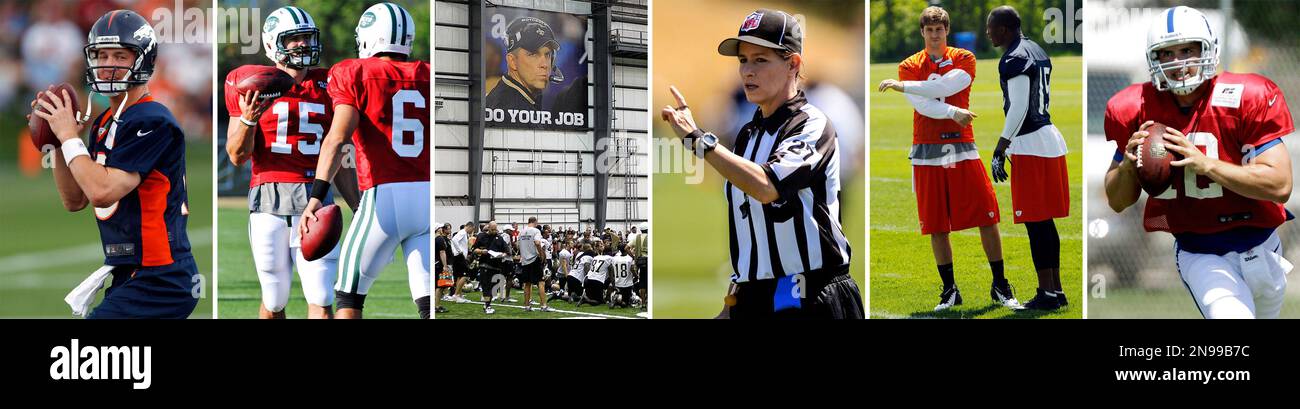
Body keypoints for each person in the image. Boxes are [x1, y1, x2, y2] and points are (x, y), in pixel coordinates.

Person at [660, 9, 862, 319]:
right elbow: (749, 234)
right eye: (743, 60)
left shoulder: (812, 125)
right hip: (756, 297)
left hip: (812, 296)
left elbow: (768, 186)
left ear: (793, 63)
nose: (747, 72)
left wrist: (700, 140)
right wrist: (730, 306)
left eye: (760, 60)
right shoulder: (748, 135)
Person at [1103, 6, 1294, 319]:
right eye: (1167, 54)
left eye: (1188, 50)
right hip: (1201, 253)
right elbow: (1117, 201)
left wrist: (1207, 166)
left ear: (1209, 49)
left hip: (1263, 248)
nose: (1179, 63)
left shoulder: (1249, 95)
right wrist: (1127, 166)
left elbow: (1280, 185)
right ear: (1154, 59)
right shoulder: (1135, 107)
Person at [34, 10, 196, 318]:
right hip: (130, 273)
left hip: (160, 276)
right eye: (101, 55)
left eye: (120, 56)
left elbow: (102, 190)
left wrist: (69, 136)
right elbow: (74, 199)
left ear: (143, 60)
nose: (108, 65)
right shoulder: (106, 122)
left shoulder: (151, 119)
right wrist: (57, 143)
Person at [876, 6, 1020, 311]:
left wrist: (902, 87)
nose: (934, 34)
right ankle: (950, 290)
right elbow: (923, 104)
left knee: (987, 215)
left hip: (962, 147)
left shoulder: (965, 58)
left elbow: (943, 87)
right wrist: (953, 112)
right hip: (926, 149)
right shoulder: (909, 64)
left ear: (947, 31)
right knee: (936, 225)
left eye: (939, 29)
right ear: (922, 33)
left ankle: (1000, 284)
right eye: (929, 30)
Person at [299, 2, 431, 319]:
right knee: (428, 303)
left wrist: (316, 196)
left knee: (348, 296)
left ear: (369, 37)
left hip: (384, 197)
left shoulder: (354, 72)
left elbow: (337, 137)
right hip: (428, 198)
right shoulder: (427, 73)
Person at [985, 5, 1071, 310]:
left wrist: (1000, 147)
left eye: (991, 27)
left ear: (1005, 30)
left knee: (1035, 223)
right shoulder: (1034, 48)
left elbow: (1019, 107)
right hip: (1048, 137)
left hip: (1030, 142)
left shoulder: (1014, 57)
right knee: (1045, 223)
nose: (988, 33)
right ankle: (1056, 290)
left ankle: (1047, 293)